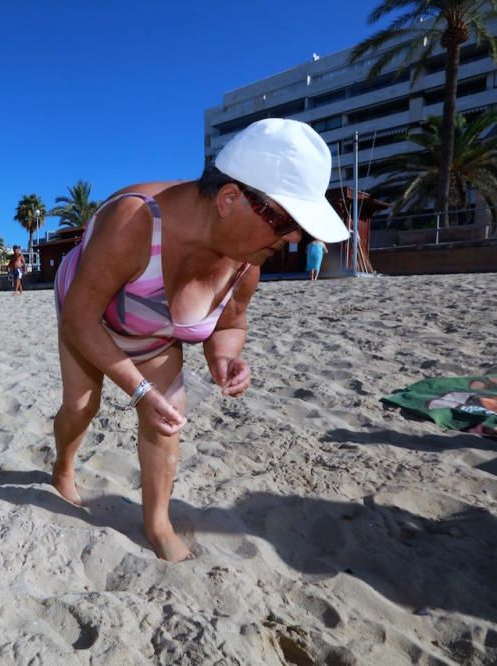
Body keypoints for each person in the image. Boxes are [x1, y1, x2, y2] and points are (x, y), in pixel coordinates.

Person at [52, 118, 347, 562]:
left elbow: (230, 324)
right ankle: (63, 468)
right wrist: (138, 388)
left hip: (154, 330)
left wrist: (226, 357)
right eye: (287, 221)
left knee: (166, 418)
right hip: (89, 307)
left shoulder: (248, 261)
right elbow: (80, 318)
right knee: (81, 406)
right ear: (230, 199)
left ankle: (157, 523)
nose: (293, 239)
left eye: (299, 229)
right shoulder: (133, 220)